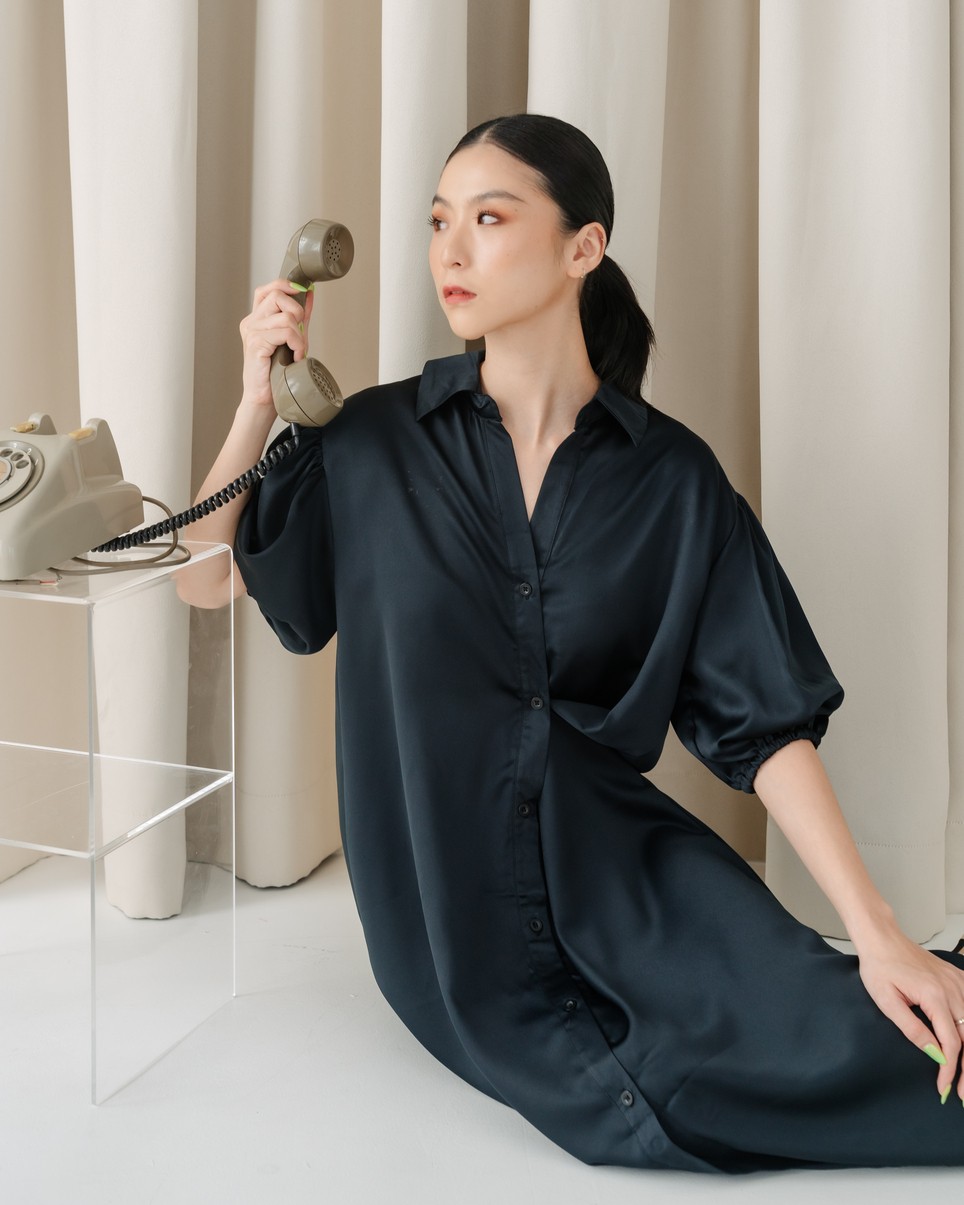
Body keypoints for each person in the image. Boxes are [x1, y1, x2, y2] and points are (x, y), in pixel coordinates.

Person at [183, 114, 964, 1172]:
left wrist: (876, 932)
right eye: (439, 222)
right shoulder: (371, 442)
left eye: (489, 219)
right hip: (453, 925)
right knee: (695, 1098)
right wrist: (256, 400)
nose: (451, 251)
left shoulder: (673, 479)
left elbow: (764, 724)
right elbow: (201, 578)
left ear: (582, 247)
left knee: (888, 1044)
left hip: (632, 881)